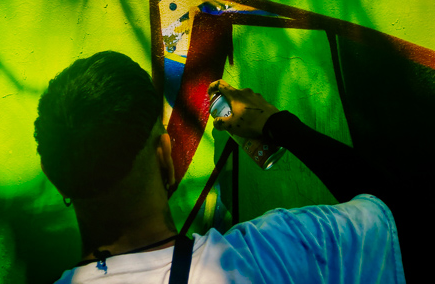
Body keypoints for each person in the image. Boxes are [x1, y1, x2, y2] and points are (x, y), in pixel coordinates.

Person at [34, 50, 411, 283]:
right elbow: (396, 215)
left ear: (59, 178)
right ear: (164, 154)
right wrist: (276, 124)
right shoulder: (270, 256)